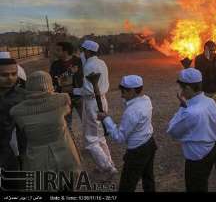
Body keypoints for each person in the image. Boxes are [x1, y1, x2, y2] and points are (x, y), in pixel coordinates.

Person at [10, 71, 81, 188]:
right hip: (65, 152)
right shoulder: (62, 99)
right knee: (68, 185)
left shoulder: (17, 111)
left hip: (37, 157)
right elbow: (67, 109)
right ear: (50, 84)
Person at [98, 75, 157, 192]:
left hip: (137, 151)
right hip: (149, 144)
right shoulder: (146, 99)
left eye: (124, 91)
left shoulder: (132, 111)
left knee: (127, 185)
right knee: (148, 179)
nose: (121, 94)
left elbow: (120, 137)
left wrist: (106, 119)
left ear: (134, 91)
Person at [167, 68, 216, 192]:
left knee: (195, 187)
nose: (179, 91)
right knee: (203, 184)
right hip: (211, 149)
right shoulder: (210, 102)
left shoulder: (191, 112)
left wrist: (182, 107)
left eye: (180, 87)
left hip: (197, 158)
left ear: (187, 89)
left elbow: (172, 131)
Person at [80, 40, 117, 178]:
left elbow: (88, 90)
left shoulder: (89, 65)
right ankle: (108, 163)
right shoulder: (101, 63)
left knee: (90, 139)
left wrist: (74, 91)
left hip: (92, 101)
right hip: (101, 100)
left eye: (83, 50)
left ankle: (107, 167)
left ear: (88, 52)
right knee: (100, 136)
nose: (82, 53)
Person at [0, 58, 27, 171]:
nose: (10, 78)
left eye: (13, 74)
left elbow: (22, 130)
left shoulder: (21, 96)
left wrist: (23, 155)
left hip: (6, 152)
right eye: (4, 75)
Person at [50, 42, 84, 131]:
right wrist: (69, 73)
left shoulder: (78, 61)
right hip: (64, 98)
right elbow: (54, 81)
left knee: (86, 121)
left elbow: (83, 78)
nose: (55, 52)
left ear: (66, 51)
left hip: (79, 96)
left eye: (58, 50)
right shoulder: (55, 65)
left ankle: (91, 142)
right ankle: (70, 144)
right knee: (66, 126)